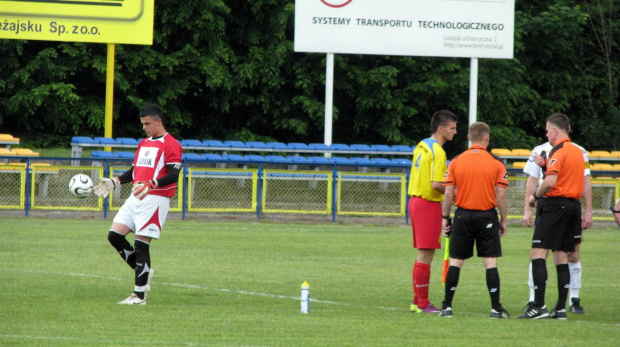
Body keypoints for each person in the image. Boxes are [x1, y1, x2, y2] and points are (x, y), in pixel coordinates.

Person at [94, 104, 183, 305]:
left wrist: (152, 184)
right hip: (135, 197)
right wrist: (115, 182)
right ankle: (144, 271)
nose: (144, 127)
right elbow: (134, 171)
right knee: (114, 236)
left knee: (141, 244)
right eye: (142, 124)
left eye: (147, 123)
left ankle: (139, 295)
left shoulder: (171, 144)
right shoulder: (144, 143)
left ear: (158, 121)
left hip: (155, 198)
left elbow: (173, 175)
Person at [438, 122, 510, 318]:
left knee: (455, 261)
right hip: (487, 215)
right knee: (490, 262)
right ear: (487, 138)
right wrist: (504, 220)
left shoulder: (456, 162)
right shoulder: (497, 163)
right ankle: (495, 308)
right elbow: (501, 195)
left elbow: (448, 193)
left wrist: (445, 217)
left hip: (463, 215)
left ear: (468, 137)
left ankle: (447, 307)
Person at [518, 113, 585, 320]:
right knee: (562, 255)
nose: (546, 134)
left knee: (537, 253)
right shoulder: (577, 152)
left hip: (555, 206)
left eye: (547, 130)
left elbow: (550, 182)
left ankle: (538, 306)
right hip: (573, 206)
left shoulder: (558, 151)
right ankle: (561, 308)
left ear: (555, 130)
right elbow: (565, 175)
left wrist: (534, 197)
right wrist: (544, 166)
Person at [407, 109, 458, 313]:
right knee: (426, 254)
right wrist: (456, 194)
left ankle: (416, 300)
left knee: (423, 253)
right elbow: (437, 184)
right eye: (452, 128)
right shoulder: (437, 150)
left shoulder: (422, 146)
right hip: (427, 203)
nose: (455, 132)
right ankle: (423, 303)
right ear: (441, 128)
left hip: (416, 201)